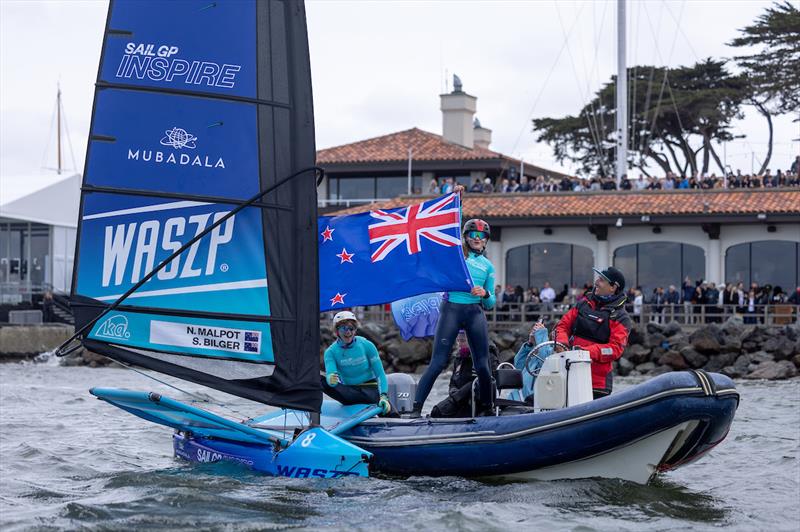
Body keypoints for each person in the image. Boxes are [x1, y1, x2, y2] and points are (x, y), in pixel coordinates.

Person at [413, 212, 496, 417]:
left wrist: (485, 293)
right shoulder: (457, 255)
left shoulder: (488, 266)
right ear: (466, 237)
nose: (477, 238)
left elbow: (491, 302)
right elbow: (450, 225)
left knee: (483, 366)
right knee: (438, 363)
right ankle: (415, 409)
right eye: (473, 234)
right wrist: (458, 199)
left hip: (474, 311)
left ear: (486, 241)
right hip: (451, 309)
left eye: (482, 235)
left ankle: (487, 408)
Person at [554, 267, 632, 399]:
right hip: (568, 373)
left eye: (601, 280)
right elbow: (562, 326)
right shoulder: (583, 304)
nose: (596, 282)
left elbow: (615, 349)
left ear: (613, 287)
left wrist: (586, 353)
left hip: (597, 385)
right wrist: (562, 343)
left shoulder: (620, 317)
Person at [322, 311, 391, 414]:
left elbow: (380, 374)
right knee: (319, 379)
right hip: (350, 394)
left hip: (370, 392)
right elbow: (331, 374)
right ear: (336, 331)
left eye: (352, 328)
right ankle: (313, 415)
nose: (348, 332)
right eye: (344, 328)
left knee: (392, 413)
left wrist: (384, 396)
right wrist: (330, 379)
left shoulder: (366, 345)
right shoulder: (330, 352)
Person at [431, 331, 500, 418]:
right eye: (458, 341)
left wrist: (459, 395)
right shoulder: (459, 358)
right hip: (458, 400)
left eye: (463, 341)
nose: (459, 344)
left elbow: (488, 381)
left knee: (438, 412)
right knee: (436, 412)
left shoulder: (487, 356)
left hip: (476, 401)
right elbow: (453, 381)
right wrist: (453, 391)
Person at [511, 321, 553, 403]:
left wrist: (541, 333)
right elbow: (518, 366)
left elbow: (545, 360)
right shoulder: (533, 357)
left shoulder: (551, 357)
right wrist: (530, 343)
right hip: (518, 399)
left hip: (531, 401)